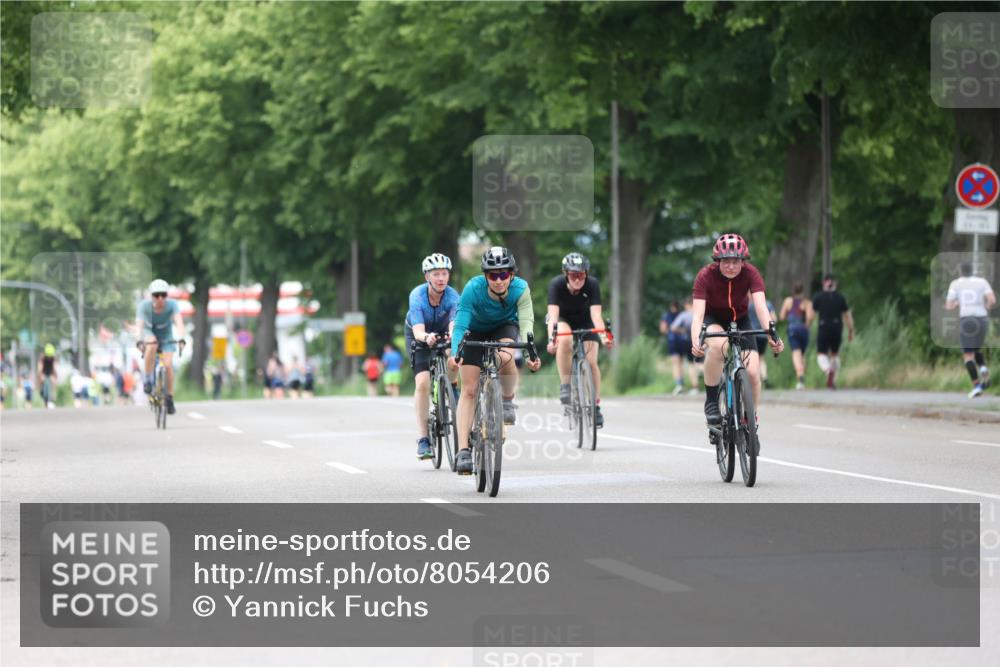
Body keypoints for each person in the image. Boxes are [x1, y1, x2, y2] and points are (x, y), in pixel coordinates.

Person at [449, 246, 542, 475]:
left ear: (511, 274)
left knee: (505, 356)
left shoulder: (520, 289)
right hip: (474, 331)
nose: (499, 280)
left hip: (504, 327)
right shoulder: (473, 288)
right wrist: (455, 353)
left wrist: (531, 352)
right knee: (469, 390)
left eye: (503, 274)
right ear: (485, 276)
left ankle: (507, 400)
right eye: (493, 275)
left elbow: (527, 322)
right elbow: (461, 324)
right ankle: (463, 451)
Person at [690, 234, 784, 427]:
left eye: (735, 261)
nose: (731, 266)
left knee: (753, 371)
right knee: (718, 347)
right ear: (717, 261)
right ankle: (711, 401)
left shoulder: (751, 274)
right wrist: (695, 341)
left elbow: (761, 308)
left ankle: (751, 417)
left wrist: (772, 335)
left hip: (740, 320)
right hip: (713, 319)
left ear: (743, 261)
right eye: (725, 261)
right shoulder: (705, 276)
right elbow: (697, 316)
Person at [546, 252, 612, 426]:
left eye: (581, 275)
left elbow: (597, 316)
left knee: (591, 362)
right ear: (566, 274)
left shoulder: (592, 284)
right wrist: (551, 340)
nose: (577, 279)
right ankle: (566, 385)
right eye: (573, 275)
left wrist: (604, 336)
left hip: (585, 320)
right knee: (565, 339)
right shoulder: (556, 284)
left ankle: (595, 406)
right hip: (563, 320)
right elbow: (552, 316)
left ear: (586, 274)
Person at [406, 253, 460, 460]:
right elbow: (418, 330)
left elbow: (455, 326)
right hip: (419, 333)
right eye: (436, 274)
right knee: (422, 384)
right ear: (427, 277)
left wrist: (453, 341)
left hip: (444, 330)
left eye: (444, 273)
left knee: (454, 356)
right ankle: (423, 439)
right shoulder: (417, 296)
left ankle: (452, 386)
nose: (441, 278)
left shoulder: (454, 296)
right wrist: (425, 337)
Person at [945, 261, 996, 398]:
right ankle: (984, 370)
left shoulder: (955, 283)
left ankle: (977, 386)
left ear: (961, 271)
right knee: (976, 349)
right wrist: (987, 307)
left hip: (967, 320)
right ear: (972, 271)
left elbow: (949, 305)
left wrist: (957, 303)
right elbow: (992, 300)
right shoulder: (982, 281)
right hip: (982, 319)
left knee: (968, 355)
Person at [136, 278, 186, 414]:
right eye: (156, 295)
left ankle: (169, 397)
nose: (160, 299)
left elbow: (179, 322)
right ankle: (147, 379)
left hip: (166, 334)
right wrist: (139, 340)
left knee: (168, 365)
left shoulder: (172, 305)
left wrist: (181, 338)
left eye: (163, 295)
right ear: (151, 296)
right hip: (149, 331)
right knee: (152, 345)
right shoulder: (143, 306)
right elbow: (139, 326)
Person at [812, 273, 854, 389]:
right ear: (835, 283)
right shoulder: (840, 297)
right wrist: (850, 330)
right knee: (835, 354)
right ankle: (833, 380)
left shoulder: (818, 297)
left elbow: (811, 314)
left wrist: (807, 324)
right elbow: (847, 315)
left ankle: (827, 370)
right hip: (837, 328)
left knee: (821, 354)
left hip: (823, 327)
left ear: (823, 283)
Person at [779, 283, 814, 389]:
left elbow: (781, 316)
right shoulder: (807, 303)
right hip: (804, 330)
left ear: (793, 291)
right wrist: (806, 326)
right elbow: (810, 317)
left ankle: (800, 376)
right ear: (802, 291)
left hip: (792, 329)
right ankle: (801, 378)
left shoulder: (788, 301)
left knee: (796, 353)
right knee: (802, 354)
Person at [668, 297, 701, 395]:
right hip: (702, 340)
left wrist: (683, 331)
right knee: (703, 362)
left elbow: (673, 327)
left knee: (692, 364)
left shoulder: (684, 315)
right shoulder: (700, 313)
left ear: (687, 305)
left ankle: (695, 387)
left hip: (689, 341)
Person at [747, 295, 777, 388]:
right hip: (764, 335)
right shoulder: (767, 304)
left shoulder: (749, 305)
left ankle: (754, 379)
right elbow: (774, 319)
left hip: (751, 334)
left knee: (751, 357)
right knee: (761, 358)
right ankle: (765, 378)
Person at [37, 343, 58, 409]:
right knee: (42, 382)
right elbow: (40, 368)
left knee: (53, 382)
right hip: (43, 372)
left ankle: (52, 398)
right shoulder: (42, 358)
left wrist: (55, 376)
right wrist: (40, 375)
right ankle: (42, 392)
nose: (49, 357)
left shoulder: (53, 358)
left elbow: (55, 367)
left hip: (50, 372)